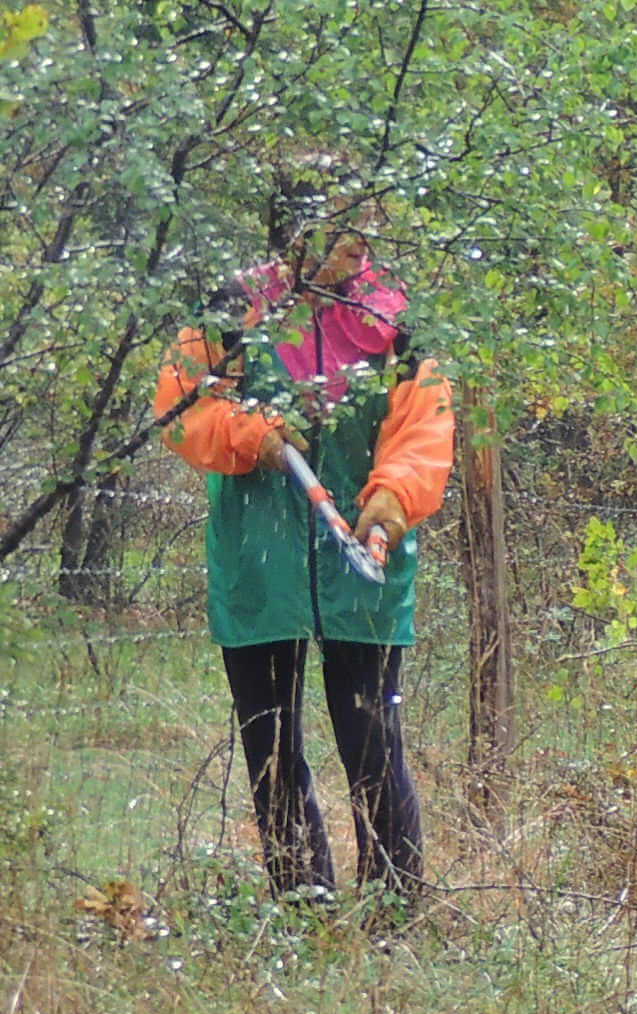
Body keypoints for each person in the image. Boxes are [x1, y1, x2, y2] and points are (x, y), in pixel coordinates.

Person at [156, 191, 451, 904]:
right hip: (260, 563)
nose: (360, 239)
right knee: (271, 744)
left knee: (373, 739)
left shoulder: (397, 318)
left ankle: (394, 910)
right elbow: (178, 410)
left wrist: (390, 504)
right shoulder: (232, 310)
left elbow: (425, 427)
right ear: (297, 229)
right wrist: (251, 437)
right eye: (343, 223)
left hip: (364, 562)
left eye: (368, 222)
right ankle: (300, 904)